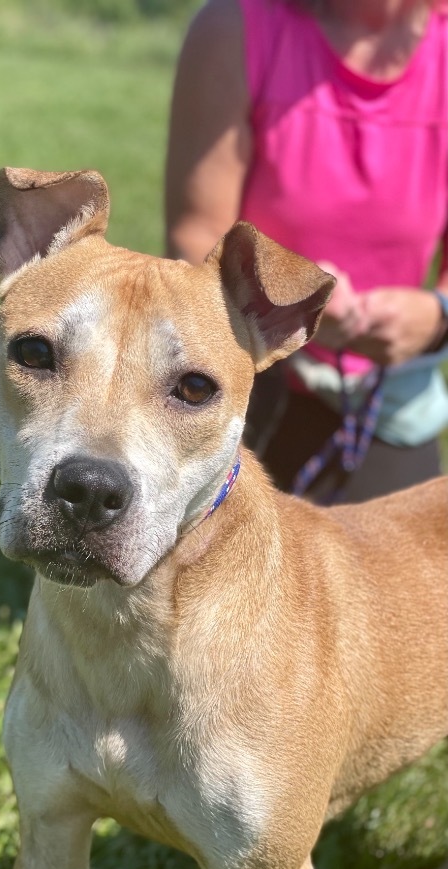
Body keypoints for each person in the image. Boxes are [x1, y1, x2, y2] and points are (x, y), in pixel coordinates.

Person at [165, 0, 448, 503]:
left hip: (383, 390)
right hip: (251, 364)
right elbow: (196, 233)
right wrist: (292, 305)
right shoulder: (234, 28)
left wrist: (436, 316)